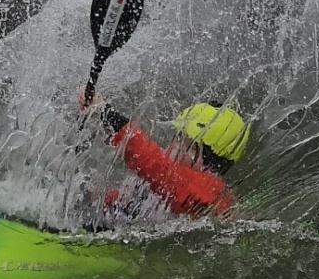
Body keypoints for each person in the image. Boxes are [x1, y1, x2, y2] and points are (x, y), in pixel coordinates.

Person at [77, 92, 249, 219]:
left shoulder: (207, 193)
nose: (175, 147)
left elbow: (154, 164)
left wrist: (105, 112)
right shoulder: (175, 183)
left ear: (209, 165)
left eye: (189, 146)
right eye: (178, 137)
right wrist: (93, 196)